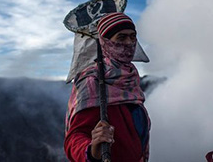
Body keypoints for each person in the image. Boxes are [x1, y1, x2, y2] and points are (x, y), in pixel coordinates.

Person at [64, 12, 150, 162]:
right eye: (121, 37)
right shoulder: (93, 81)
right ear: (105, 42)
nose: (129, 42)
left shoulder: (130, 77)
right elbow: (74, 137)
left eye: (132, 36)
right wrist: (92, 150)